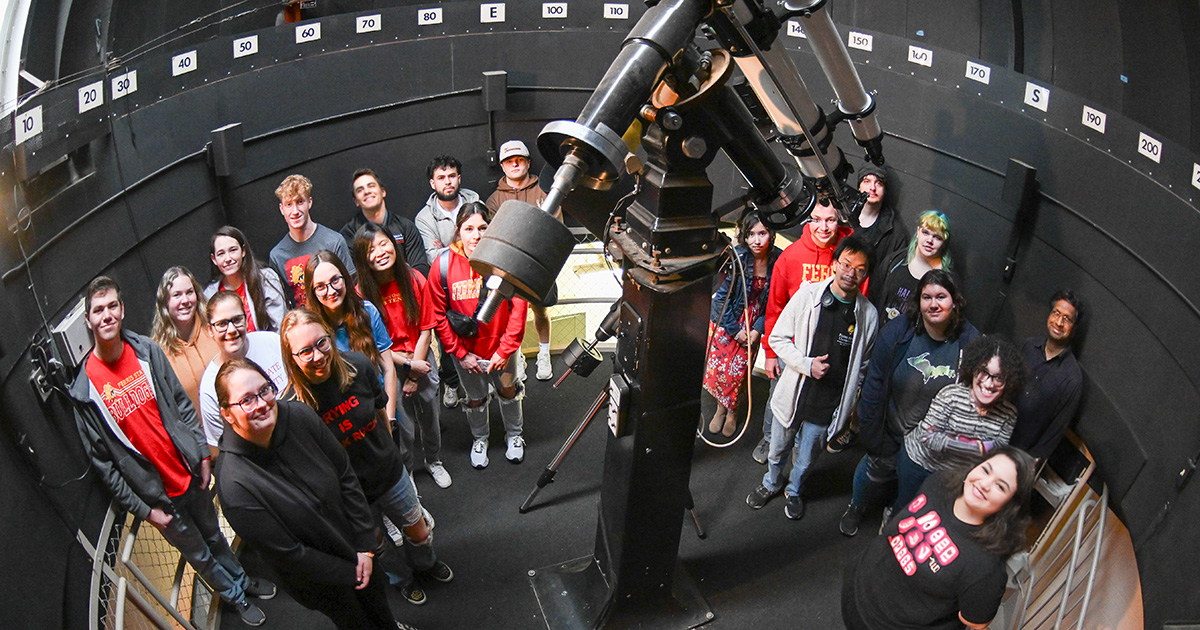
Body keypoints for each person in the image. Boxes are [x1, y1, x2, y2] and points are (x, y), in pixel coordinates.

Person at [71, 277, 274, 627]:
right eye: (98, 310)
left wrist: (201, 455)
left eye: (112, 306)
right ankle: (236, 597)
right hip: (160, 499)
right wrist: (145, 510)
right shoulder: (85, 390)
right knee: (200, 555)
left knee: (215, 536)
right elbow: (104, 464)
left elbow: (181, 405)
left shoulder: (147, 352)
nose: (107, 315)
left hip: (191, 475)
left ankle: (243, 579)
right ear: (88, 319)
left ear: (122, 310)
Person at [214, 358, 419, 630]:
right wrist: (353, 569)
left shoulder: (298, 416)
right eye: (247, 400)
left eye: (264, 390)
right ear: (227, 413)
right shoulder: (234, 485)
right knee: (355, 622)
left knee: (379, 607)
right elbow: (289, 554)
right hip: (323, 581)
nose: (262, 404)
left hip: (357, 549)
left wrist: (365, 547)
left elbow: (345, 473)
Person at [280, 310, 452, 606]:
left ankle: (424, 564)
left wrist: (388, 453)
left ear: (329, 338)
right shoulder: (294, 407)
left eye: (321, 343)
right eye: (304, 351)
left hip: (388, 473)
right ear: (292, 357)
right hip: (351, 496)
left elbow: (381, 415)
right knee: (379, 546)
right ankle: (403, 579)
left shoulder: (358, 365)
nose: (317, 356)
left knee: (420, 533)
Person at [746, 236, 879, 520]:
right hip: (794, 392)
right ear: (834, 264)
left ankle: (794, 490)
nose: (850, 273)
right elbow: (779, 339)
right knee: (778, 448)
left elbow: (863, 364)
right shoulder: (808, 296)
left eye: (859, 268)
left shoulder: (869, 315)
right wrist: (807, 365)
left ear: (866, 274)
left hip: (827, 404)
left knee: (806, 459)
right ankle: (771, 482)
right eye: (845, 264)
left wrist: (851, 402)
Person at [840, 269, 981, 537]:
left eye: (941, 296)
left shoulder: (969, 342)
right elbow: (874, 384)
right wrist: (871, 433)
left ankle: (893, 515)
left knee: (912, 491)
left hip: (930, 442)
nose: (934, 304)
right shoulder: (898, 332)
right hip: (892, 429)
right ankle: (856, 505)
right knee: (874, 471)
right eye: (927, 297)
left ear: (955, 301)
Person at [842, 447, 1036, 630]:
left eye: (1000, 486)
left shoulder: (986, 568)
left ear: (1010, 505)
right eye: (986, 470)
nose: (984, 484)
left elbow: (975, 622)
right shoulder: (939, 483)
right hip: (858, 588)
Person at [426, 202, 529, 469]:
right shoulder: (443, 265)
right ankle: (480, 438)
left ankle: (515, 435)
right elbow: (437, 314)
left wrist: (505, 350)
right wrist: (460, 354)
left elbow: (518, 310)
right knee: (476, 398)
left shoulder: (505, 261)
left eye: (483, 227)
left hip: (501, 350)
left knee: (508, 390)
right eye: (469, 228)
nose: (476, 235)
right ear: (458, 231)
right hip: (468, 353)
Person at [752, 199, 853, 463]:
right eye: (817, 219)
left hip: (825, 351)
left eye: (830, 220)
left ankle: (796, 445)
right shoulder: (791, 256)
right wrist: (771, 353)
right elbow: (774, 306)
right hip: (791, 349)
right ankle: (769, 438)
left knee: (810, 404)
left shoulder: (846, 257)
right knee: (778, 397)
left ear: (838, 220)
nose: (823, 227)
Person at [353, 222, 452, 489]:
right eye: (371, 249)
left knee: (431, 418)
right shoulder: (361, 293)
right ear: (363, 257)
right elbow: (374, 345)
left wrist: (416, 370)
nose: (380, 252)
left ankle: (434, 460)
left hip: (421, 359)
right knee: (403, 427)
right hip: (390, 365)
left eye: (384, 243)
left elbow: (426, 329)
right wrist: (407, 369)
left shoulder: (414, 278)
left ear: (395, 244)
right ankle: (406, 469)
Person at [896, 335, 1026, 511]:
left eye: (998, 377)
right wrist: (979, 447)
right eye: (984, 372)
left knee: (929, 514)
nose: (988, 383)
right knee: (904, 506)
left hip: (954, 475)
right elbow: (929, 439)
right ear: (972, 369)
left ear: (1008, 382)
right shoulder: (950, 396)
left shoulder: (1009, 414)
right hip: (920, 463)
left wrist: (950, 440)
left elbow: (997, 450)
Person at [703, 212, 782, 437]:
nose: (756, 240)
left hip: (756, 319)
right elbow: (719, 299)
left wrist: (757, 329)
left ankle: (733, 412)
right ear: (744, 237)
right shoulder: (736, 257)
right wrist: (734, 330)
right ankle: (720, 408)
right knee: (721, 371)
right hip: (728, 318)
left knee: (740, 371)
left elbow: (777, 301)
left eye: (762, 233)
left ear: (772, 234)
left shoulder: (779, 259)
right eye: (751, 234)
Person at [304, 251, 399, 436]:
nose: (331, 291)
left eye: (335, 280)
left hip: (379, 406)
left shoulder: (368, 311)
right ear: (312, 291)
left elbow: (388, 369)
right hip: (344, 421)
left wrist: (390, 418)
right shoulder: (311, 329)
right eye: (321, 286)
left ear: (345, 278)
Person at [486, 140, 555, 381]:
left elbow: (554, 230)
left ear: (527, 162)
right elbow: (496, 236)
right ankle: (519, 356)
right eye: (508, 161)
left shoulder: (544, 190)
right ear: (502, 166)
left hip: (538, 266)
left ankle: (544, 353)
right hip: (509, 268)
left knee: (540, 310)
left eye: (519, 159)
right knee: (513, 316)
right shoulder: (494, 200)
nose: (514, 164)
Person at [413, 155, 479, 407]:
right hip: (446, 287)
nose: (447, 182)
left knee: (480, 330)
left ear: (459, 178)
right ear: (433, 183)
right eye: (441, 178)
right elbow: (433, 257)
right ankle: (452, 384)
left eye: (451, 176)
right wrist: (467, 249)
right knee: (447, 338)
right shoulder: (424, 218)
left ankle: (484, 382)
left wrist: (449, 249)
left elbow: (486, 243)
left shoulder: (476, 203)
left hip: (477, 281)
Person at [197, 291, 289, 458]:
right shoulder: (209, 387)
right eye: (222, 324)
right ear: (210, 330)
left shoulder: (272, 342)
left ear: (246, 319)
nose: (231, 330)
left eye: (237, 320)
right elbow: (219, 448)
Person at [1011, 290, 1084, 462]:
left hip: (1020, 455)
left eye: (1067, 319)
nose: (1059, 322)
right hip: (994, 432)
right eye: (1056, 313)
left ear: (1074, 327)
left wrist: (1032, 461)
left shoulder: (1072, 377)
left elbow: (1057, 428)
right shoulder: (1028, 346)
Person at [269, 174, 357, 308]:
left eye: (300, 202)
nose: (295, 211)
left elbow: (351, 286)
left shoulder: (334, 241)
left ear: (309, 202)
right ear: (282, 209)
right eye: (289, 204)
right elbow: (282, 305)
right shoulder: (277, 255)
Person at [151, 266, 220, 414]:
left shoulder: (215, 325)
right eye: (177, 295)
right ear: (165, 302)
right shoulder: (157, 351)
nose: (185, 300)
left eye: (189, 292)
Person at [340, 168, 430, 277]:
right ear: (356, 201)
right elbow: (354, 277)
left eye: (371, 186)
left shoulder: (405, 227)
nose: (366, 191)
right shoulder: (349, 235)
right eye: (360, 190)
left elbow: (420, 268)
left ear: (383, 192)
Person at [204, 226, 288, 332]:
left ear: (243, 251)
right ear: (214, 259)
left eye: (233, 250)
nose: (228, 259)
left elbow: (280, 328)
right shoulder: (210, 294)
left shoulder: (265, 279)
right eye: (221, 254)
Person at [875, 210, 953, 322]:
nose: (929, 240)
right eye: (926, 232)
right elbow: (873, 297)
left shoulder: (946, 281)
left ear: (944, 242)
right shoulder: (894, 262)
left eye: (937, 237)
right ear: (918, 232)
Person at [850, 165, 908, 307]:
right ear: (859, 186)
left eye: (879, 183)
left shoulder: (895, 233)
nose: (872, 188)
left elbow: (893, 279)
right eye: (867, 181)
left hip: (870, 303)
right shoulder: (843, 218)